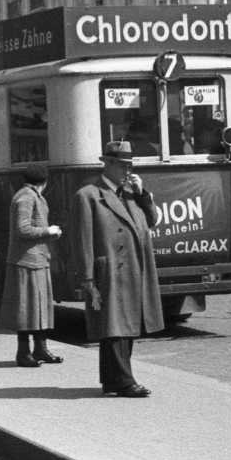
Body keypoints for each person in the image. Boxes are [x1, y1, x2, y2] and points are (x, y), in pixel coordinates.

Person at [70, 140, 161, 397]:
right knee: (114, 326)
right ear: (106, 163)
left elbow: (151, 221)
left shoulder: (132, 194)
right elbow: (82, 238)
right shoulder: (88, 195)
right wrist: (87, 276)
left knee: (126, 325)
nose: (126, 171)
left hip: (133, 269)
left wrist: (143, 194)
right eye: (121, 165)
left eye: (129, 165)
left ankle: (114, 380)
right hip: (108, 270)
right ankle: (123, 380)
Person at [0, 165, 63, 367]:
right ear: (44, 182)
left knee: (39, 308)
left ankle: (40, 349)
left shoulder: (30, 195)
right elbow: (23, 229)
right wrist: (48, 231)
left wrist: (49, 233)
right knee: (26, 309)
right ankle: (23, 352)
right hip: (26, 261)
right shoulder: (26, 197)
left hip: (37, 260)